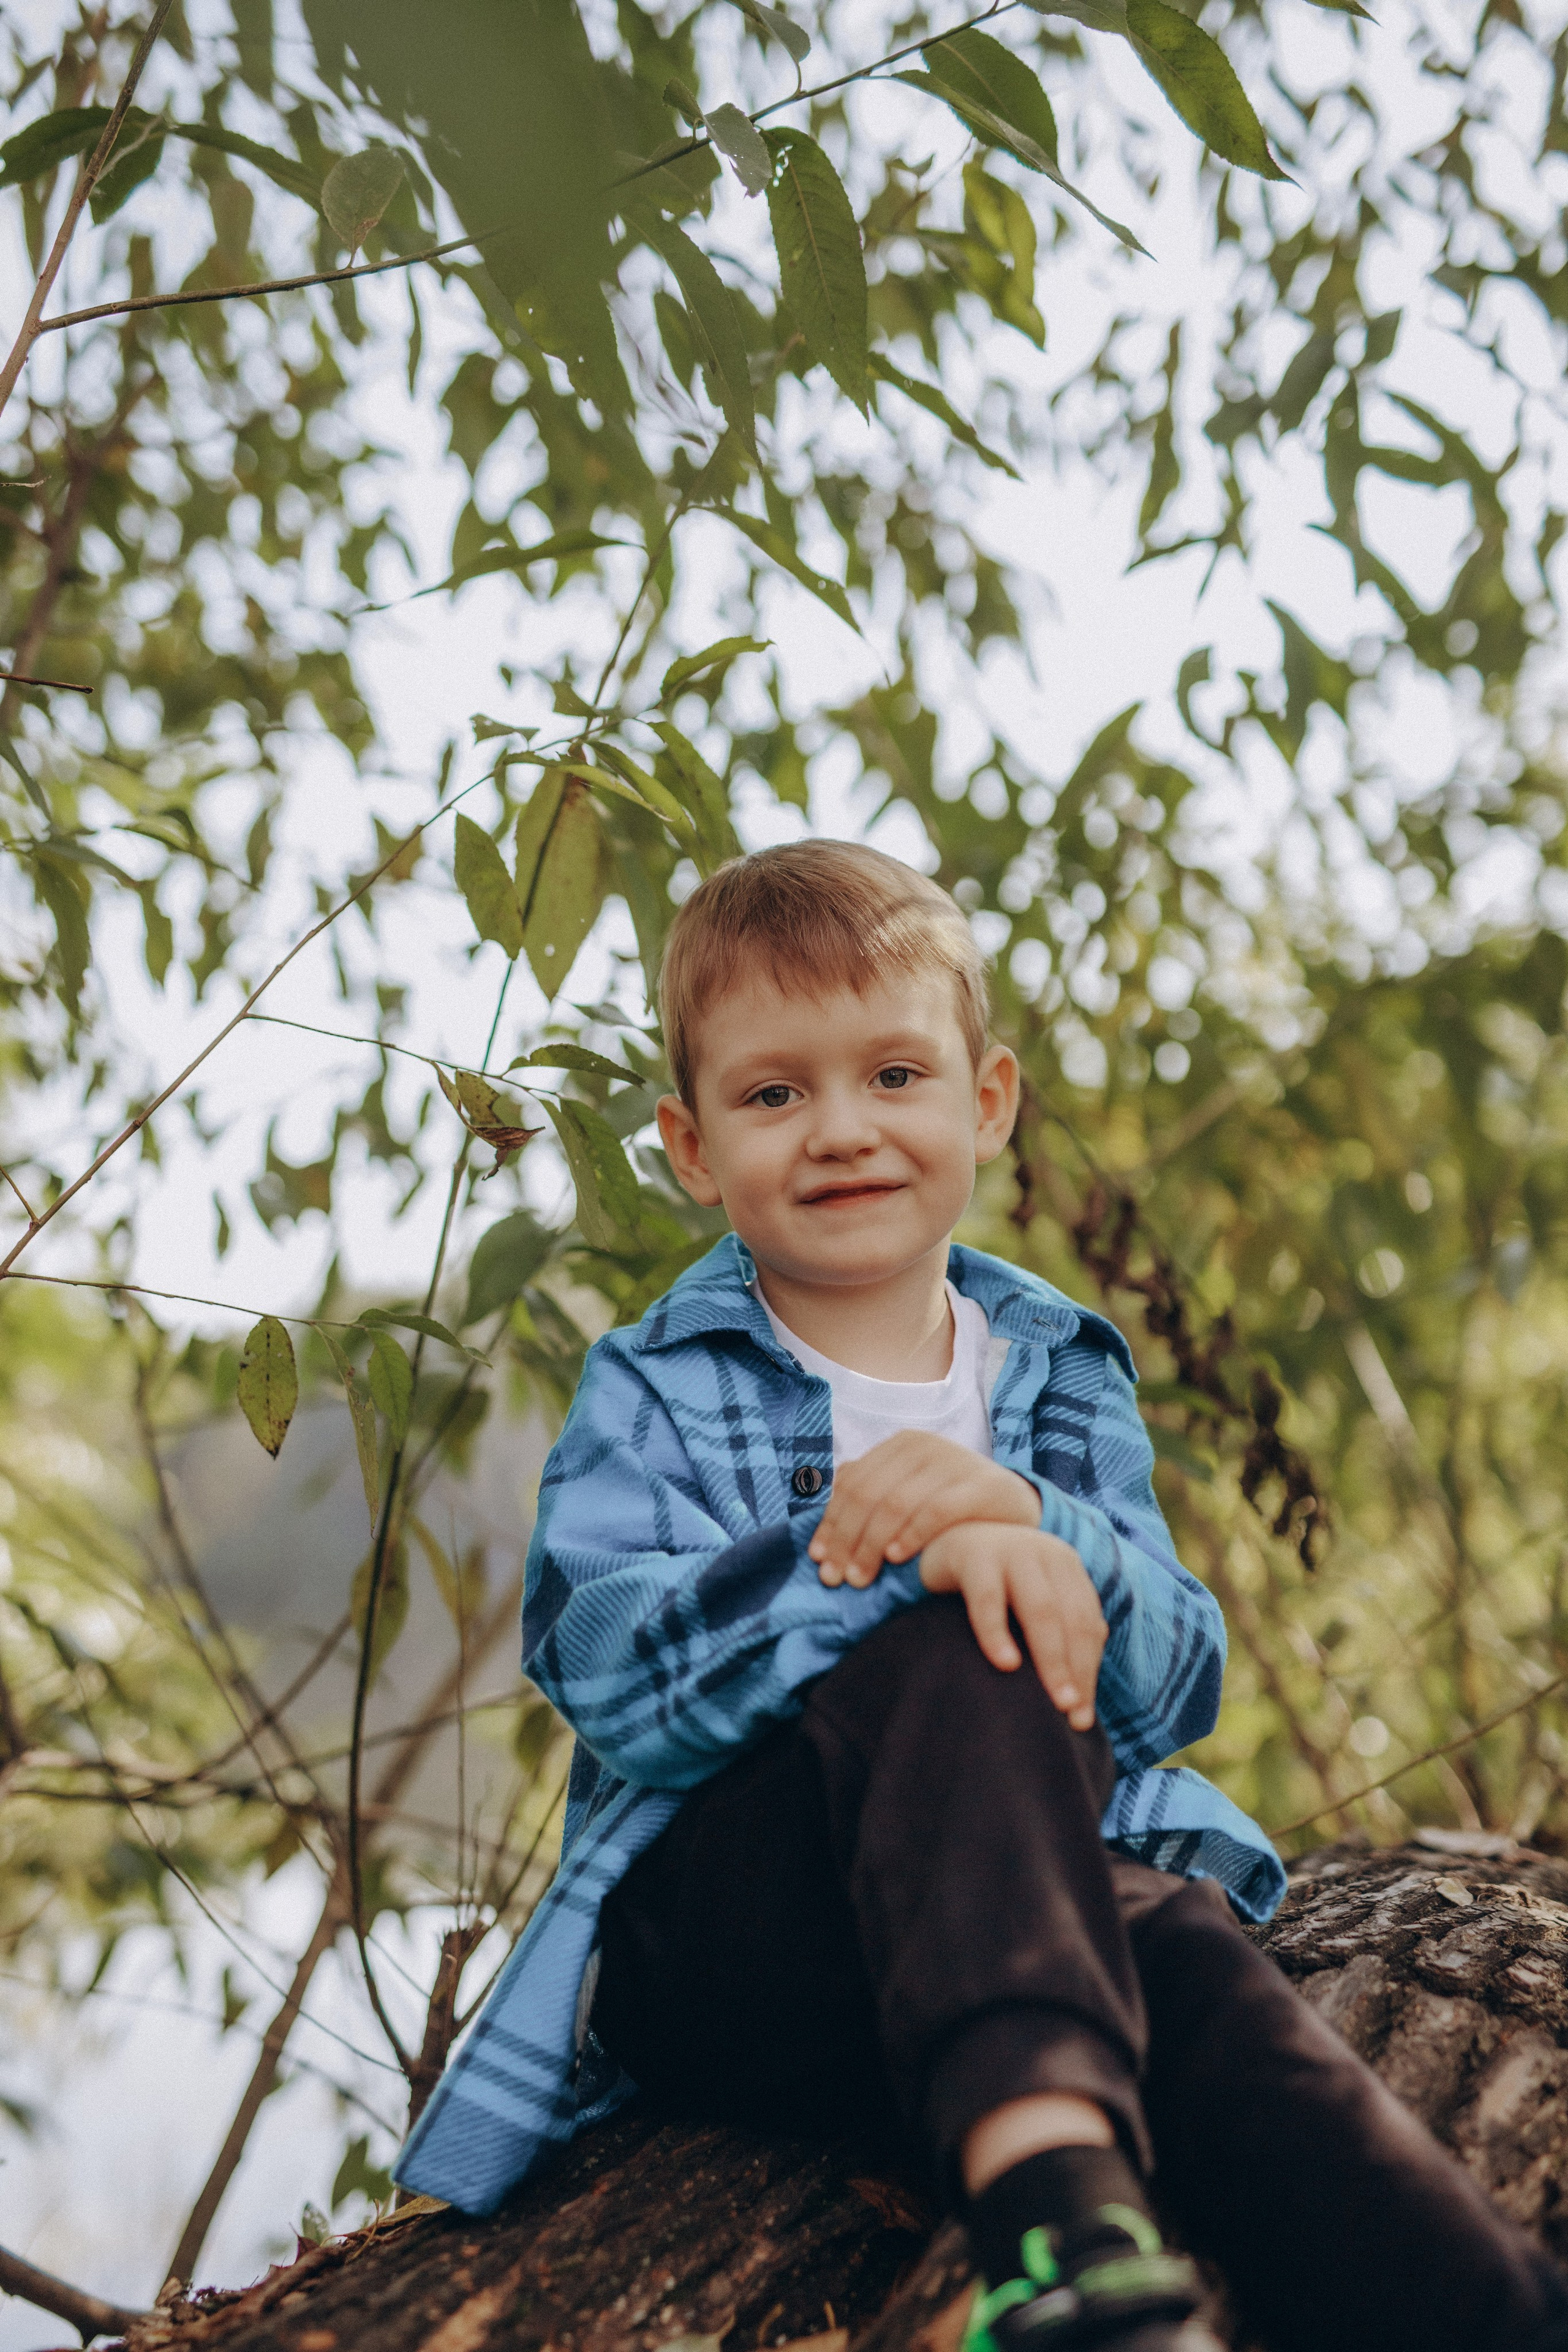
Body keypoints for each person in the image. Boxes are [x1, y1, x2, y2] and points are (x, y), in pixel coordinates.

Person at [398, 840, 1568, 2352]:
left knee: (1171, 1951)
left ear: (986, 1101)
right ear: (691, 1148)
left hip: (999, 1932)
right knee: (950, 1644)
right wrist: (906, 1565)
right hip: (728, 1942)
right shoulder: (654, 1385)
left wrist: (1029, 1522)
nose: (842, 1130)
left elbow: (1174, 1680)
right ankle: (1055, 2233)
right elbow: (608, 1660)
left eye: (895, 1075)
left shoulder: (1057, 1369)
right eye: (773, 1094)